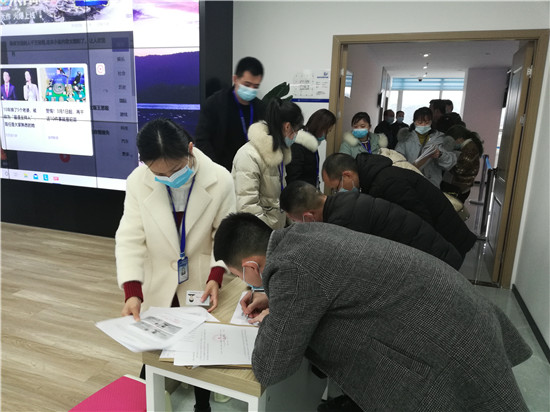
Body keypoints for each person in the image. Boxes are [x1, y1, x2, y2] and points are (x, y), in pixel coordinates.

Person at [213, 212, 532, 412]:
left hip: (444, 337)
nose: (245, 282)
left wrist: (273, 319)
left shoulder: (291, 269)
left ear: (250, 266)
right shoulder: (299, 237)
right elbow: (323, 285)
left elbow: (270, 366)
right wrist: (275, 298)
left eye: (240, 275)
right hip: (454, 308)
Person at [115, 118, 236, 412]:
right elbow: (130, 237)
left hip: (200, 280)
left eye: (176, 169)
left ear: (190, 150)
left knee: (199, 351)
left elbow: (226, 234)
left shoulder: (220, 179)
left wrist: (216, 274)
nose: (169, 177)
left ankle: (202, 405)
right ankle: (150, 402)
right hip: (158, 280)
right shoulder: (138, 181)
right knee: (154, 352)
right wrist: (132, 291)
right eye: (159, 173)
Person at [322, 152, 477, 257]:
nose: (338, 193)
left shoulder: (385, 183)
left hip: (447, 241)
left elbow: (418, 223)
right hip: (442, 239)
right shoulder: (374, 177)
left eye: (336, 188)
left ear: (347, 175)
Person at [280, 180, 463, 269]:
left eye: (296, 221)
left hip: (438, 263)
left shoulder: (343, 223)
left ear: (308, 216)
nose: (298, 225)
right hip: (437, 251)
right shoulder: (343, 200)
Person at [232, 98, 303, 230]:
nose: (296, 135)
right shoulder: (248, 155)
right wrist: (267, 235)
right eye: (296, 130)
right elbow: (247, 206)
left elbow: (277, 198)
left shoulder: (278, 153)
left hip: (275, 230)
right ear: (287, 127)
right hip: (258, 234)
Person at [195, 57, 266, 171]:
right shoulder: (215, 103)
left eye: (256, 86)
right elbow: (202, 140)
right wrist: (216, 169)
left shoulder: (261, 108)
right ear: (235, 79)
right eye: (247, 84)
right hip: (220, 170)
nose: (251, 89)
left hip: (251, 170)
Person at [395, 106, 456, 187]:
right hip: (409, 182)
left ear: (431, 122)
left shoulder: (439, 138)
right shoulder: (406, 138)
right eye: (420, 122)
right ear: (414, 122)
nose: (423, 125)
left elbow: (450, 162)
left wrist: (440, 155)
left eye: (427, 122)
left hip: (431, 184)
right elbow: (397, 159)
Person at [286, 108, 336, 188]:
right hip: (300, 193)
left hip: (310, 191)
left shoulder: (311, 144)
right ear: (320, 127)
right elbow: (294, 178)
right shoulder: (298, 145)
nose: (326, 136)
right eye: (327, 131)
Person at [441, 124, 484, 202]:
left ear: (460, 139)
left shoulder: (469, 149)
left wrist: (444, 162)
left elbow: (459, 170)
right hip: (462, 187)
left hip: (459, 188)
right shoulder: (469, 146)